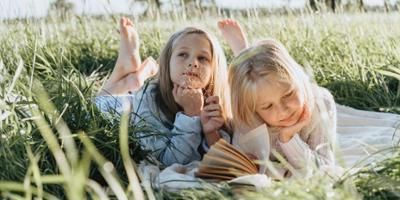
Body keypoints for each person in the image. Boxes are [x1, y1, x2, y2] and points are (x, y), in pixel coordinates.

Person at [96, 18, 232, 166]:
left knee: (128, 91)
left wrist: (210, 133)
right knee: (102, 99)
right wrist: (191, 115)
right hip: (110, 109)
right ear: (167, 63)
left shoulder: (213, 103)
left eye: (203, 58)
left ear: (214, 71)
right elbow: (168, 161)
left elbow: (224, 162)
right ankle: (127, 75)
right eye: (183, 54)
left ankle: (131, 79)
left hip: (131, 98)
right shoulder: (149, 99)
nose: (193, 62)